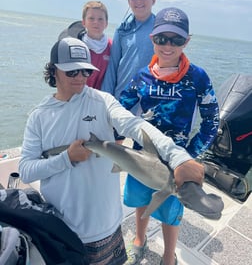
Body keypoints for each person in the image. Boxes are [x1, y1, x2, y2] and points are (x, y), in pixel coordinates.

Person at [19, 36, 205, 265]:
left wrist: (178, 157)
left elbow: (135, 125)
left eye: (85, 72)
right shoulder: (39, 117)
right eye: (72, 72)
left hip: (106, 225)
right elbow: (26, 171)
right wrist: (67, 158)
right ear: (54, 70)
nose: (80, 78)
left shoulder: (102, 101)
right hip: (62, 227)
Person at [119, 7, 220, 265]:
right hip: (143, 155)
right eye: (161, 38)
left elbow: (212, 121)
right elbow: (121, 110)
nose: (168, 45)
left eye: (176, 39)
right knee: (141, 200)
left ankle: (168, 257)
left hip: (177, 165)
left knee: (171, 212)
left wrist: (188, 156)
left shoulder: (198, 77)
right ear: (152, 39)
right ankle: (139, 240)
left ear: (186, 41)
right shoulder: (141, 76)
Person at [101, 0, 156, 113]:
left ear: (153, 0)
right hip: (121, 100)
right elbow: (112, 65)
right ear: (128, 1)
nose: (139, 1)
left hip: (149, 104)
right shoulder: (122, 28)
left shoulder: (161, 28)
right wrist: (106, 99)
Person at [58, 0, 112, 90]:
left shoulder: (112, 46)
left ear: (106, 23)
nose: (96, 22)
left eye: (100, 19)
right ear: (83, 22)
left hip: (100, 96)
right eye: (91, 18)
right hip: (76, 94)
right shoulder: (77, 45)